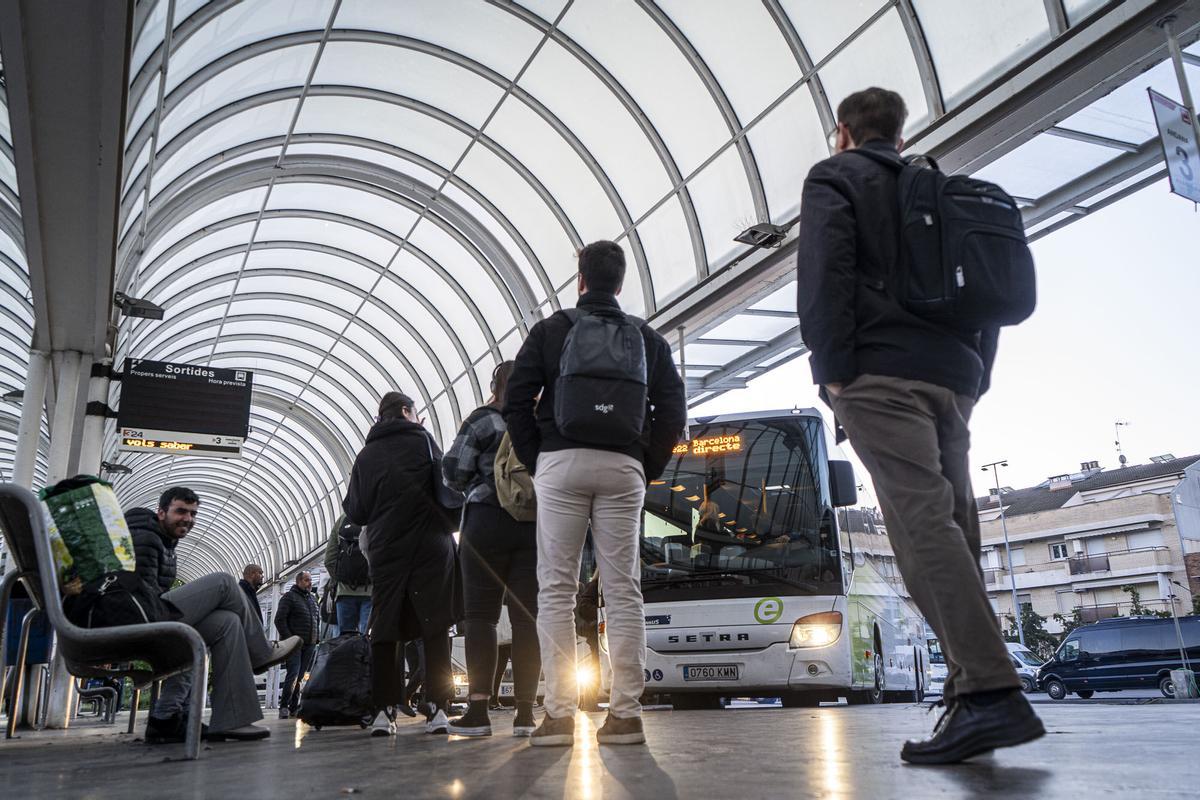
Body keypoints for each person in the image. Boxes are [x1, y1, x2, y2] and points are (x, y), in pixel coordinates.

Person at [795, 87, 1044, 764]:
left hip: (881, 374)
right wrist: (975, 372)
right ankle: (971, 694)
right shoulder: (938, 185)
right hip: (952, 378)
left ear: (842, 131)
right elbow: (983, 296)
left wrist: (833, 371)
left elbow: (825, 274)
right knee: (955, 525)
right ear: (900, 134)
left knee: (919, 527)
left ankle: (992, 693)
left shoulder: (835, 177)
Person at [504, 240, 687, 746]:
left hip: (560, 463)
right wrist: (644, 463)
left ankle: (560, 717)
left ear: (579, 281)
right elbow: (673, 411)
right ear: (620, 284)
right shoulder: (648, 340)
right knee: (623, 590)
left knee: (556, 592)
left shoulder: (550, 331)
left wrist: (540, 457)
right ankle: (626, 715)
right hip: (624, 466)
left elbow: (516, 399)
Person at [128, 487, 300, 743]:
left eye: (193, 513)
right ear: (161, 512)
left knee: (227, 623)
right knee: (223, 582)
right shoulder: (144, 536)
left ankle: (229, 720)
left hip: (148, 616)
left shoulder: (164, 542)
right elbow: (138, 592)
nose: (187, 518)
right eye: (180, 511)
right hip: (139, 619)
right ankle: (261, 653)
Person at [344, 391, 461, 737]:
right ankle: (438, 708)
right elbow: (448, 486)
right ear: (407, 411)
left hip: (386, 549)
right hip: (430, 545)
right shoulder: (424, 441)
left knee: (385, 625)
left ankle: (384, 712)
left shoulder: (367, 454)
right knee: (435, 624)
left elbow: (356, 511)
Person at [442, 361, 540, 738]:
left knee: (480, 617)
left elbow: (453, 472)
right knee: (527, 619)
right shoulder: (540, 421)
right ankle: (526, 715)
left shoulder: (483, 420)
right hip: (532, 525)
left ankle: (479, 711)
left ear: (495, 386)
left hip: (485, 522)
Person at [274, 571, 321, 719]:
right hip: (295, 644)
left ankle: (294, 707)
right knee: (293, 674)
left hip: (310, 643)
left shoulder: (312, 599)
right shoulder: (289, 597)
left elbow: (316, 620)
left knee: (301, 677)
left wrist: (317, 638)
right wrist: (291, 639)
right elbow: (279, 620)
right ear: (298, 581)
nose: (310, 583)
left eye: (310, 580)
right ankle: (284, 706)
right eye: (307, 580)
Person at [323, 515, 372, 635]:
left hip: (344, 592)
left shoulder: (342, 519)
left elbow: (329, 560)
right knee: (368, 638)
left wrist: (340, 579)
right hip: (371, 591)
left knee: (345, 639)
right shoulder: (375, 515)